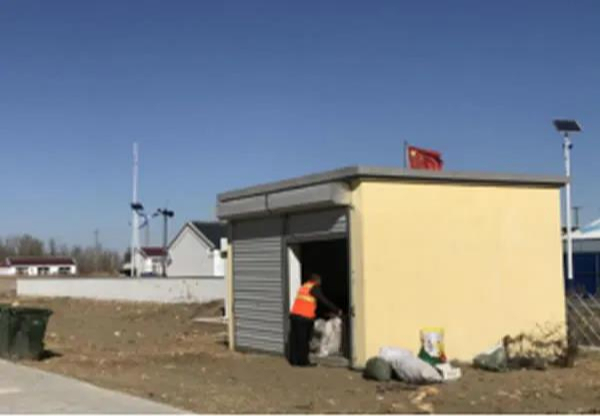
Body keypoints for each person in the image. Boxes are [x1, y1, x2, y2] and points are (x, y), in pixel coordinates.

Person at [287, 273, 341, 366]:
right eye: (320, 281)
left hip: (294, 316)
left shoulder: (304, 286)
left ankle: (294, 361)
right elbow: (323, 300)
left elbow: (308, 302)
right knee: (303, 341)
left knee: (295, 340)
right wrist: (337, 310)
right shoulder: (314, 288)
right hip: (304, 318)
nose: (320, 283)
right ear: (316, 281)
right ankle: (303, 362)